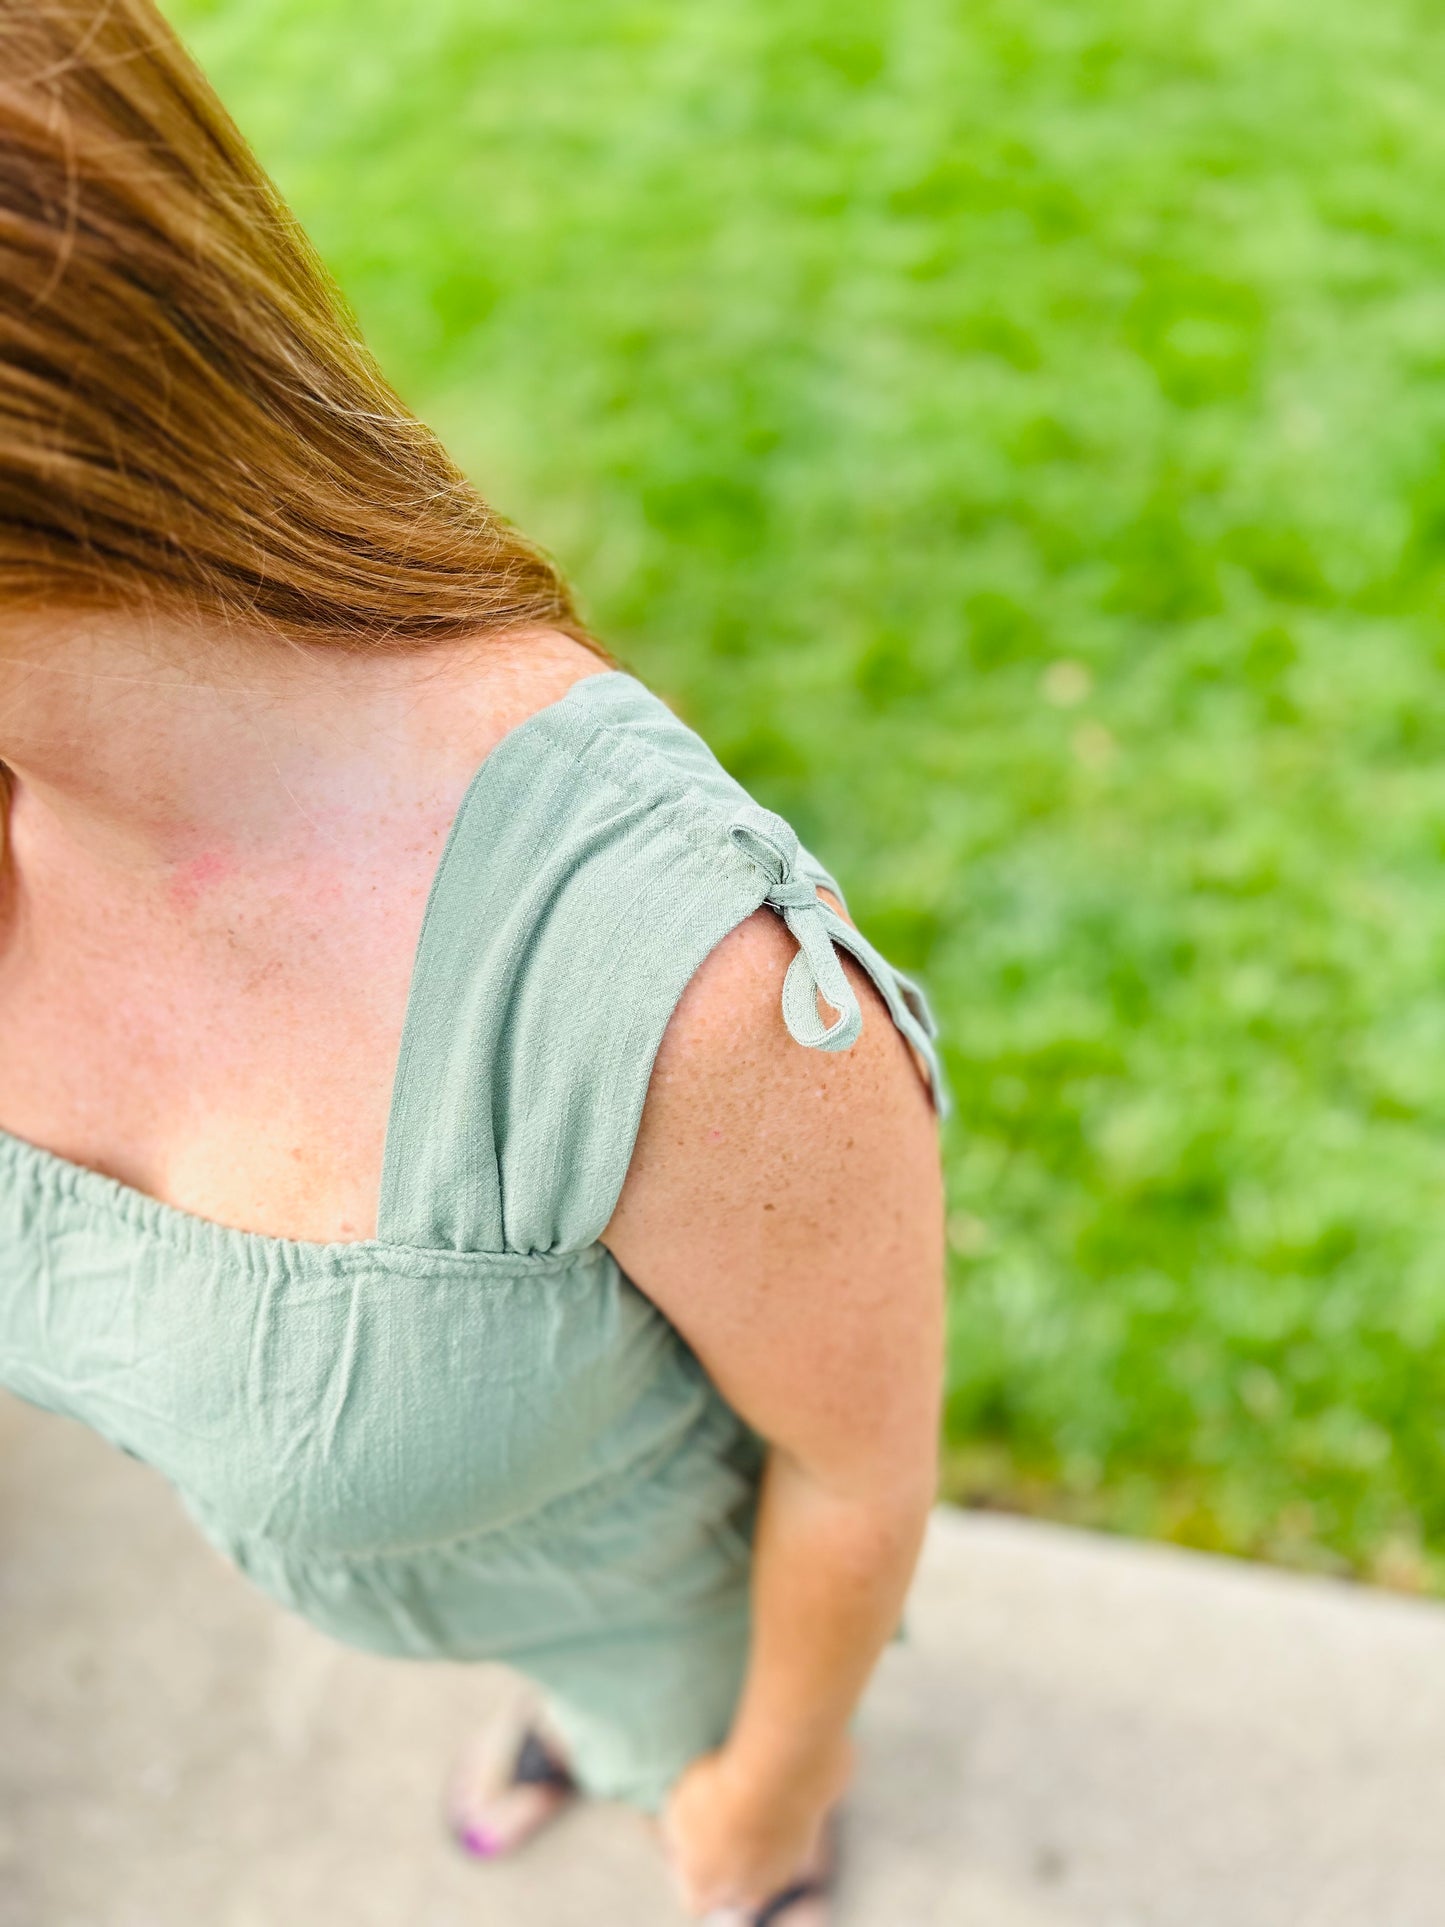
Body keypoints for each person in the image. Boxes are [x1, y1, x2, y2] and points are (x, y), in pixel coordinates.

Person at [0, 4, 950, 1921]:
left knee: (683, 1725)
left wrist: (761, 1802)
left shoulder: (684, 989)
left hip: (673, 1614)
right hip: (479, 1574)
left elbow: (852, 1482)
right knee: (545, 1625)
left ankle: (687, 1756)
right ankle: (559, 1710)